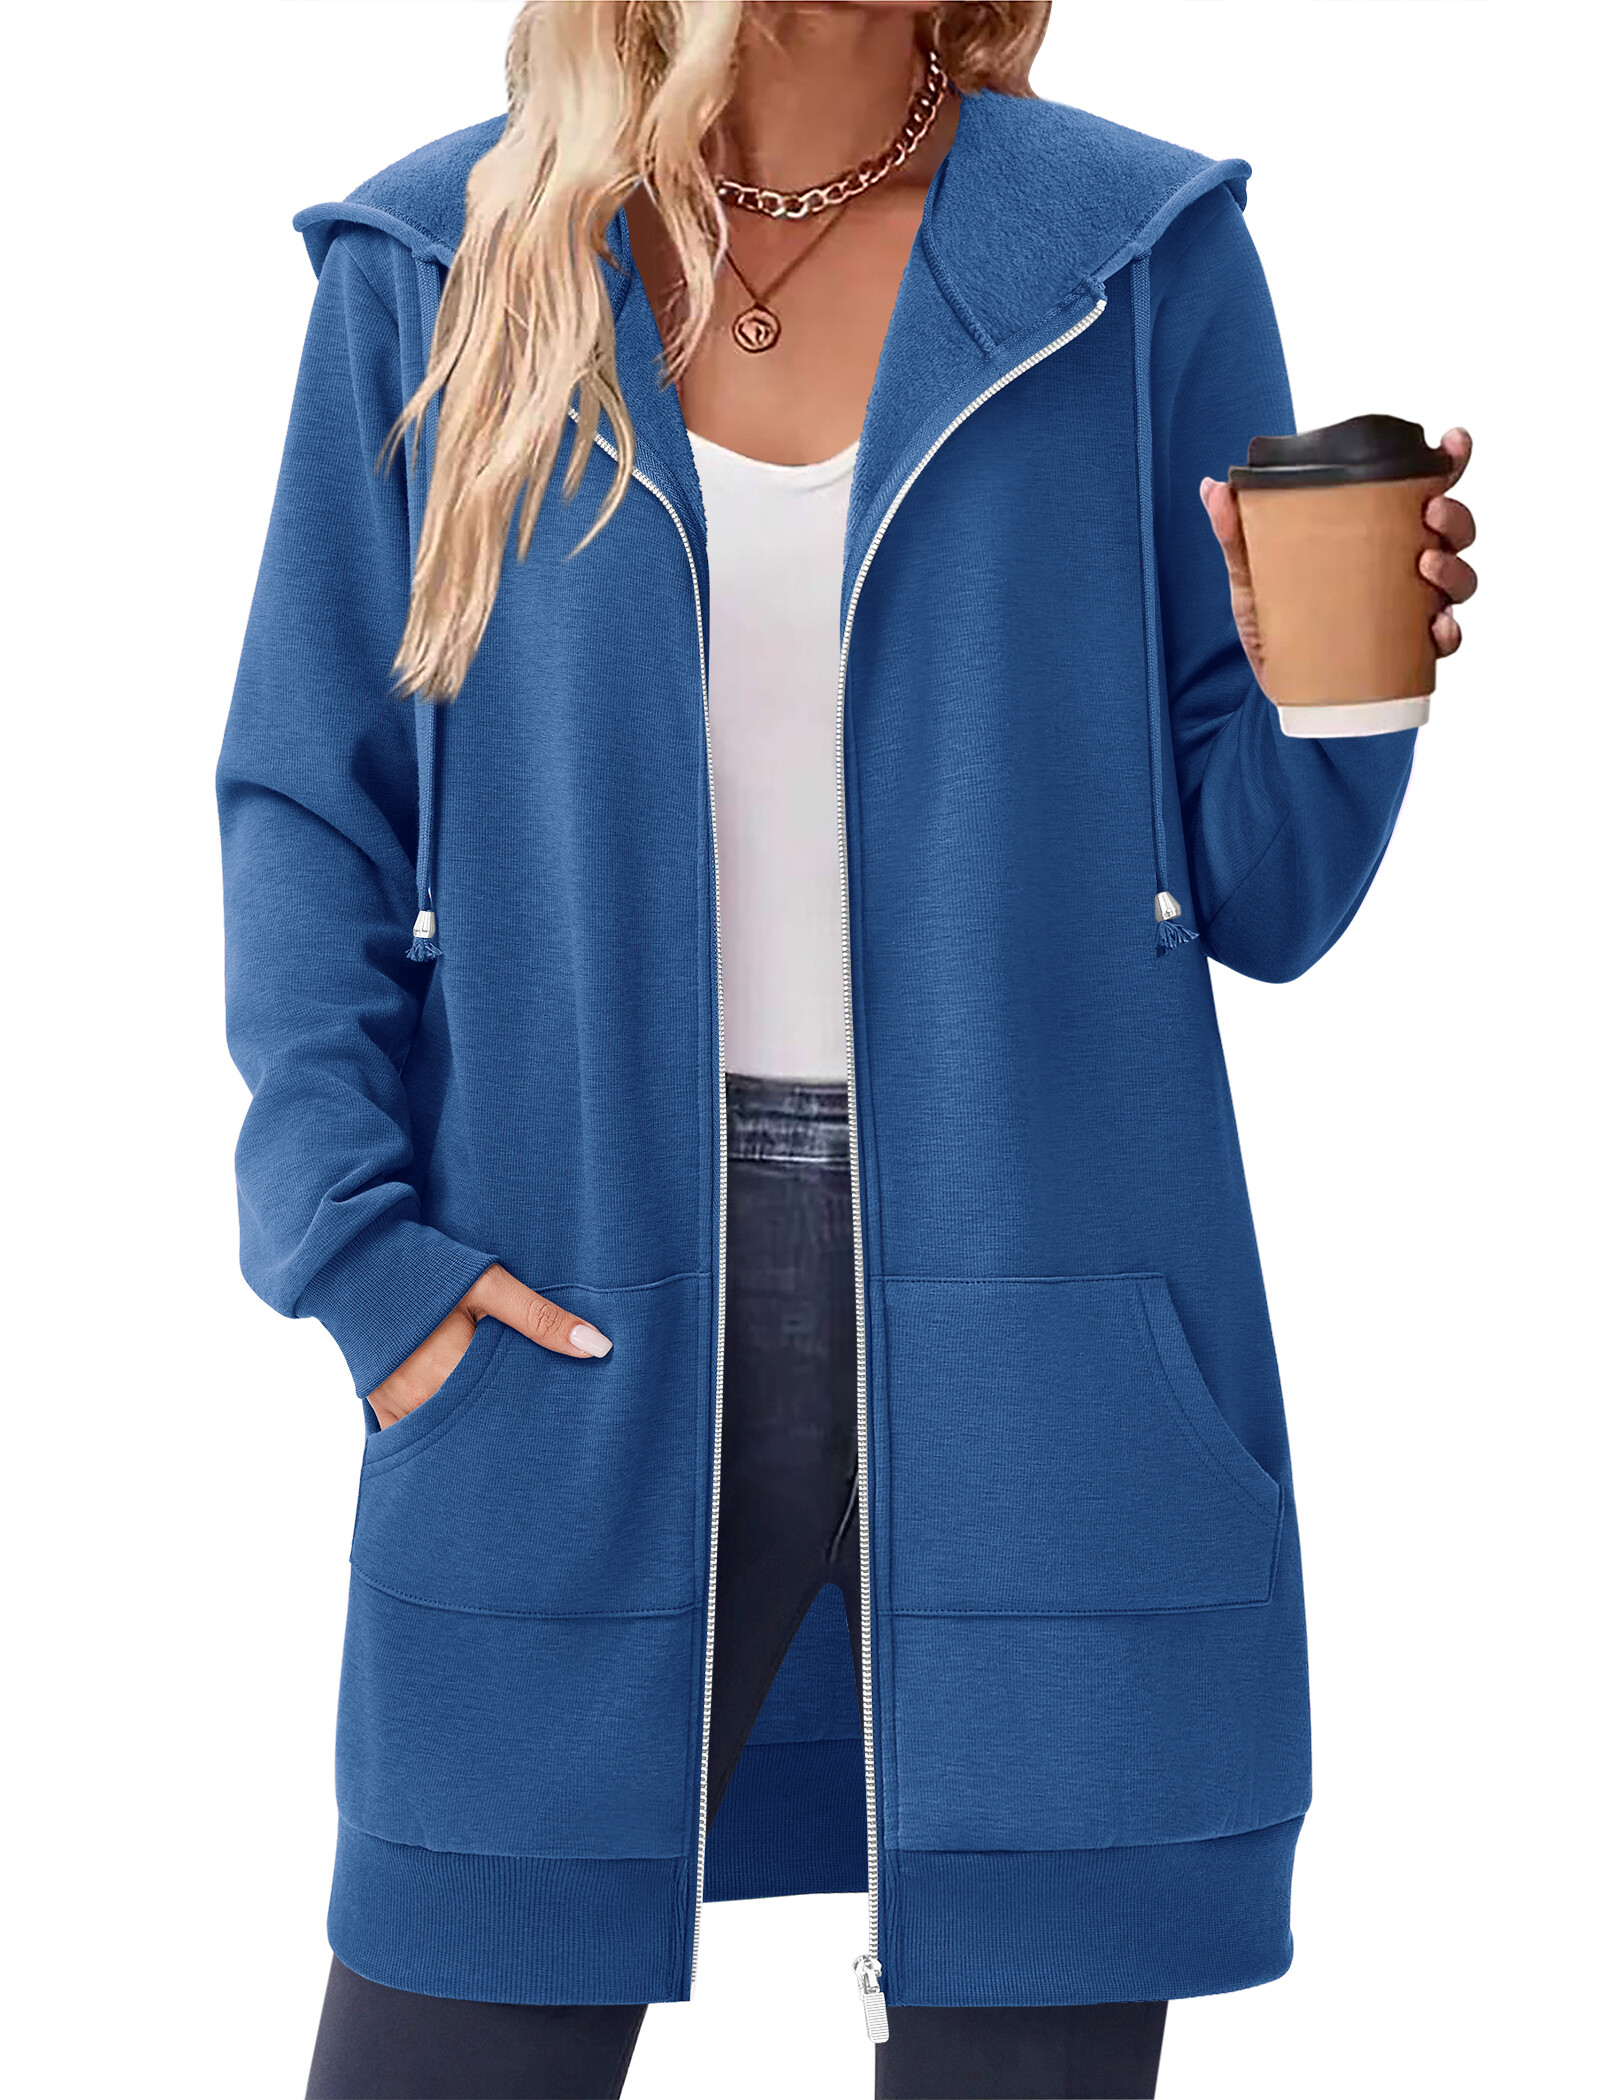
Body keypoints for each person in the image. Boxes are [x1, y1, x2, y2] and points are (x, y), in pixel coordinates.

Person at [217, 3, 1478, 2095]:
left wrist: (1349, 682)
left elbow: (1263, 895)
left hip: (1042, 1334)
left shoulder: (1138, 255)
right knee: (453, 2011)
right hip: (573, 1307)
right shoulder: (444, 258)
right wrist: (358, 1256)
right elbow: (308, 800)